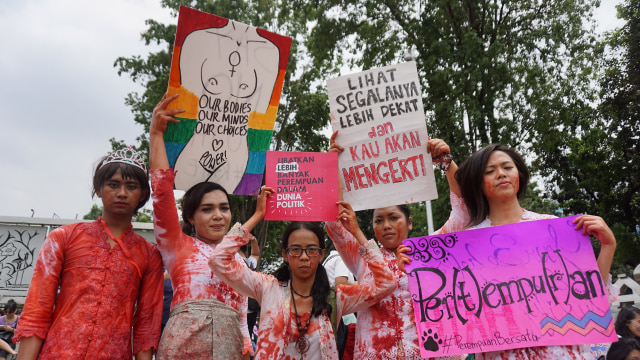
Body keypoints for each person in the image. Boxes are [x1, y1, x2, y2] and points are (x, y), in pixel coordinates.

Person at [398, 143, 618, 360]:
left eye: (507, 167)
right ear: (478, 183)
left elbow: (591, 298)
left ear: (519, 174)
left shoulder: (555, 228)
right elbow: (438, 293)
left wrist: (608, 246)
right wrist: (412, 264)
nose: (501, 174)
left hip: (563, 353)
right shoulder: (465, 243)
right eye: (489, 171)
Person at [14, 147, 164, 360]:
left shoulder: (149, 255)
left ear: (142, 195)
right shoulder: (63, 238)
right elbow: (37, 311)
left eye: (131, 187)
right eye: (113, 185)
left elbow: (146, 327)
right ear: (99, 188)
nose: (122, 193)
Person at [325, 132, 465, 360]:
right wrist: (333, 168)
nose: (386, 226)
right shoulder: (362, 256)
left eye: (393, 218)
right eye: (378, 220)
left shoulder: (432, 250)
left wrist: (446, 162)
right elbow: (334, 222)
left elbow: (463, 211)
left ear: (409, 223)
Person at [150, 93, 254, 359]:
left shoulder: (238, 260)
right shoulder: (177, 245)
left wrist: (246, 345)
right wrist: (156, 135)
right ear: (190, 218)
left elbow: (242, 314)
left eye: (224, 208)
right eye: (207, 209)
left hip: (229, 348)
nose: (218, 215)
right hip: (181, 347)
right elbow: (162, 193)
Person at [210, 219, 397, 360]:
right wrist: (258, 215)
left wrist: (356, 232)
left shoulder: (337, 297)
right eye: (296, 250)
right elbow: (217, 260)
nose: (304, 257)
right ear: (285, 254)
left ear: (322, 253)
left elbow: (386, 283)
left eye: (312, 250)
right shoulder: (267, 288)